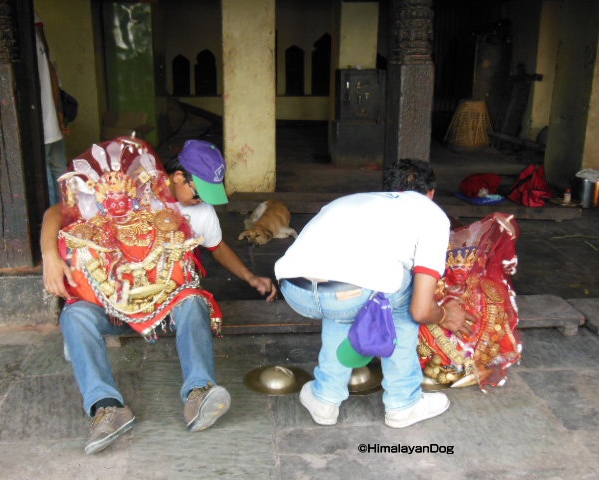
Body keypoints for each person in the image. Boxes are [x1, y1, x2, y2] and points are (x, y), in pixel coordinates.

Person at [41, 138, 277, 455]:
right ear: (179, 177)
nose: (200, 201)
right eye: (197, 192)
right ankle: (107, 407)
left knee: (193, 300)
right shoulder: (127, 193)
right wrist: (50, 258)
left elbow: (218, 248)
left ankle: (198, 393)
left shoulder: (201, 214)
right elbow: (55, 213)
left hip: (165, 308)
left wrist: (250, 277)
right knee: (75, 316)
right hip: (115, 306)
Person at [275, 159, 476, 428]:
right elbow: (420, 309)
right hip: (350, 292)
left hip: (294, 290)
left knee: (344, 305)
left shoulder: (349, 200)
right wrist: (444, 314)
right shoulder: (431, 212)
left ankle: (325, 398)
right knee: (403, 296)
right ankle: (404, 403)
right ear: (431, 193)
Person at [35, 12, 70, 206]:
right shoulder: (44, 51)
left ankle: (55, 215)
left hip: (45, 124)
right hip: (52, 123)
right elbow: (56, 85)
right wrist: (59, 118)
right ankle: (65, 211)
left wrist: (58, 118)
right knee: (58, 168)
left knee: (48, 172)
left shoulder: (35, 50)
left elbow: (54, 85)